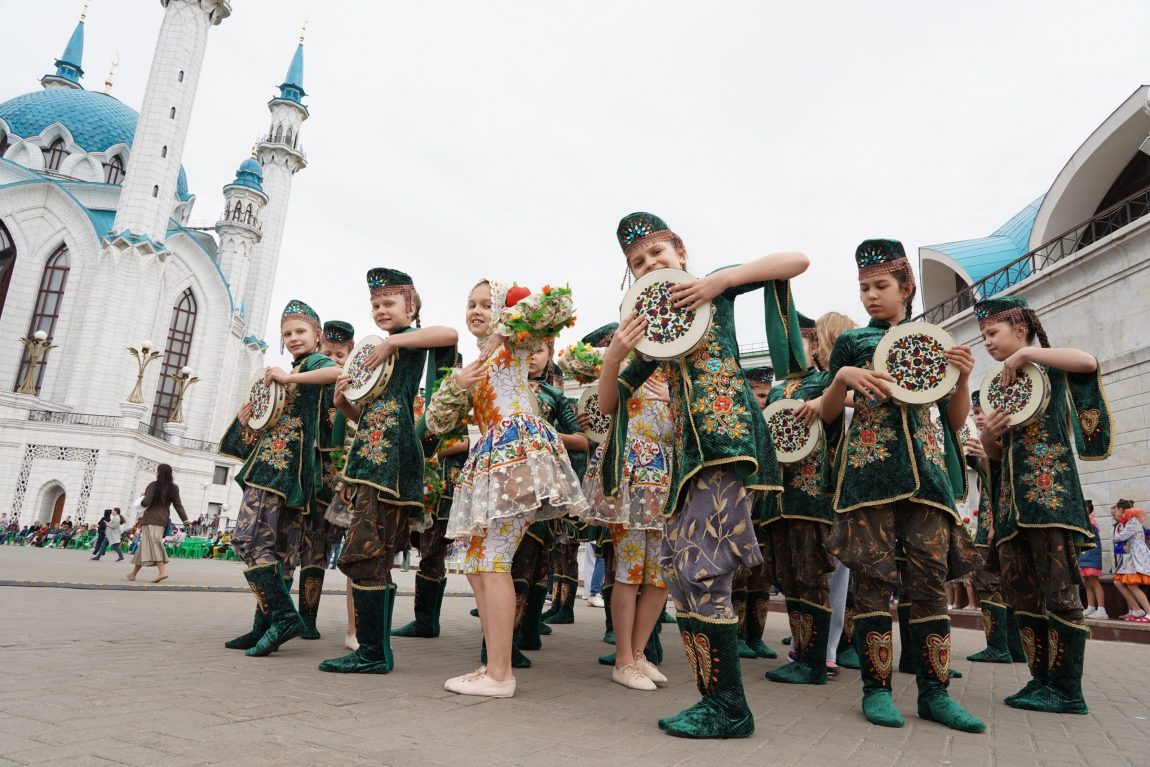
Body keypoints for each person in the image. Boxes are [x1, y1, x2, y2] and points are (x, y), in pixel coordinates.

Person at [598, 212, 808, 738]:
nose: (649, 264)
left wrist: (720, 281)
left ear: (681, 252)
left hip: (730, 443)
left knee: (704, 567)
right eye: (637, 262)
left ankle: (729, 708)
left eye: (657, 254)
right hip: (686, 459)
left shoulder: (713, 292)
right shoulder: (649, 331)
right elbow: (610, 403)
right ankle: (718, 702)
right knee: (684, 572)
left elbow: (796, 260)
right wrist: (615, 356)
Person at [822, 239, 983, 733]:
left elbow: (952, 420)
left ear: (906, 287)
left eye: (881, 286)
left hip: (928, 479)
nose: (871, 296)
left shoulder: (933, 338)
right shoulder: (852, 345)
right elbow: (829, 418)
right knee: (873, 584)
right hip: (869, 478)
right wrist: (840, 380)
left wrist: (960, 378)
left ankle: (936, 694)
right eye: (864, 287)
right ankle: (876, 690)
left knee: (931, 584)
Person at [425, 278, 584, 698]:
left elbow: (558, 304)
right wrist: (457, 385)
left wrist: (505, 326)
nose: (475, 310)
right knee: (479, 564)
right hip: (491, 458)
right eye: (469, 303)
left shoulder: (514, 343)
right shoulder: (471, 366)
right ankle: (494, 667)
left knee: (492, 561)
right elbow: (437, 427)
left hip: (516, 453)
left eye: (484, 303)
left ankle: (499, 674)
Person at [977, 294, 1112, 714]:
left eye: (993, 333)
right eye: (982, 335)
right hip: (1014, 509)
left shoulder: (1047, 364)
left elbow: (1088, 361)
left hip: (1051, 501)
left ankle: (1068, 690)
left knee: (1060, 595)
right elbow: (998, 457)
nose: (987, 342)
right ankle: (1041, 682)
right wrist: (987, 437)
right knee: (1024, 597)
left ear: (1020, 328)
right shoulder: (1001, 385)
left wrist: (1030, 353)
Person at [319, 269, 457, 675]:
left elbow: (449, 333)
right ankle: (372, 650)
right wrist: (343, 404)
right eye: (375, 305)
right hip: (372, 458)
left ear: (410, 307)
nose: (380, 310)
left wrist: (394, 340)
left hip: (391, 462)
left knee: (366, 551)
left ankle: (373, 652)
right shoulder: (375, 352)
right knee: (373, 555)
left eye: (388, 303)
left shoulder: (405, 343)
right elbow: (369, 418)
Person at [219, 299, 342, 657]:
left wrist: (290, 377)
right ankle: (265, 627)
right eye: (287, 333)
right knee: (278, 550)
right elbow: (267, 419)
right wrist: (248, 419)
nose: (292, 337)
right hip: (281, 470)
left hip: (281, 470)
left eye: (300, 331)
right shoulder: (291, 371)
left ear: (317, 335)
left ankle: (285, 618)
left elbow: (337, 373)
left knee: (251, 538)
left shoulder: (314, 364)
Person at [763, 311, 853, 686]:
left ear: (815, 343)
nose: (790, 348)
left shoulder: (826, 380)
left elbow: (848, 401)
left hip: (814, 495)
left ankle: (816, 659)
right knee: (790, 577)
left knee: (813, 574)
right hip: (782, 497)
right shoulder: (777, 387)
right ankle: (802, 652)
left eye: (799, 340)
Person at [583, 321, 673, 692]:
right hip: (630, 476)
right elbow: (604, 406)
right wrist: (613, 359)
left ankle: (637, 654)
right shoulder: (622, 365)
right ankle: (622, 659)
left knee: (660, 574)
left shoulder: (676, 372)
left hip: (666, 478)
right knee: (630, 569)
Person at [394, 354, 470, 641]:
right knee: (426, 551)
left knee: (433, 551)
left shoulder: (461, 399)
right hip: (421, 485)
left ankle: (426, 622)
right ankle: (425, 621)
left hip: (445, 486)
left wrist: (430, 451)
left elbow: (466, 440)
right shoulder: (421, 399)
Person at [127, 464, 189, 583]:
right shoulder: (174, 488)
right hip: (163, 520)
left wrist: (142, 498)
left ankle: (162, 572)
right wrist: (186, 522)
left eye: (157, 471)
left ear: (159, 473)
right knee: (144, 546)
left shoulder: (153, 485)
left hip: (151, 519)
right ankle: (133, 573)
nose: (156, 473)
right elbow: (178, 505)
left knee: (155, 544)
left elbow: (146, 503)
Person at [1111, 501, 1150, 621]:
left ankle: (1148, 612)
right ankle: (1137, 610)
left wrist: (1117, 540)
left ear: (1122, 510)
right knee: (1118, 582)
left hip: (1136, 557)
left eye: (1116, 510)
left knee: (1132, 585)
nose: (1115, 513)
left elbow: (1118, 538)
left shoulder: (1132, 521)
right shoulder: (1126, 522)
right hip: (1129, 558)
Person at [1079, 502, 1107, 619]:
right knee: (1087, 582)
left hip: (1091, 555)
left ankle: (1102, 610)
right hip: (1084, 555)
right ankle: (1090, 607)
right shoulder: (1085, 522)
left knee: (1094, 582)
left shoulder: (1091, 522)